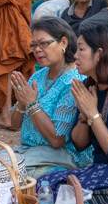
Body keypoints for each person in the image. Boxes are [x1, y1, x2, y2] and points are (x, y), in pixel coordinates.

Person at [36, 25, 108, 204]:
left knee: (69, 195)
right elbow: (79, 143)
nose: (75, 55)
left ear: (99, 54)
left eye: (81, 49)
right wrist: (84, 118)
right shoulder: (88, 86)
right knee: (44, 184)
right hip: (99, 167)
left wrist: (93, 114)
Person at [9, 17, 92, 178]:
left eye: (44, 43)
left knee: (8, 174)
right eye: (34, 45)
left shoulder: (74, 82)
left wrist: (32, 104)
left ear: (63, 43)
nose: (37, 50)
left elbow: (57, 140)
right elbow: (14, 124)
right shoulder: (37, 77)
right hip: (31, 152)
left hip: (61, 158)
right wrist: (21, 102)